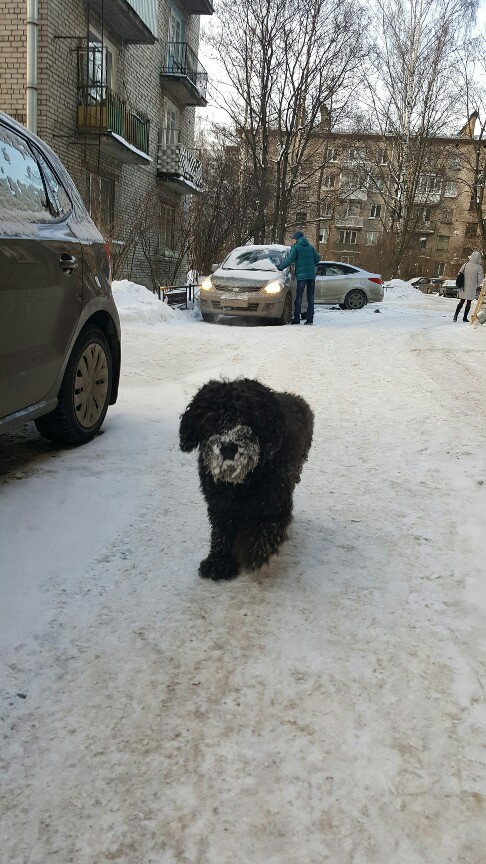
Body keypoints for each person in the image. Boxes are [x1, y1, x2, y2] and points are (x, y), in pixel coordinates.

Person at [277, 230, 320, 325]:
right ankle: (310, 319)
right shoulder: (311, 247)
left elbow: (290, 260)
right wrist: (310, 264)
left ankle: (297, 319)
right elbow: (318, 259)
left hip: (301, 276)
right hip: (311, 276)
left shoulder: (296, 248)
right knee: (310, 298)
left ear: (297, 239)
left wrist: (280, 267)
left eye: (294, 239)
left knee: (299, 297)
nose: (293, 240)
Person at [454, 250, 483, 322]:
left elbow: (459, 273)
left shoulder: (465, 264)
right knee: (468, 302)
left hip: (463, 285)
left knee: (461, 301)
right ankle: (464, 317)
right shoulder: (479, 267)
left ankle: (456, 315)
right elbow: (480, 279)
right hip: (472, 287)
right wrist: (477, 285)